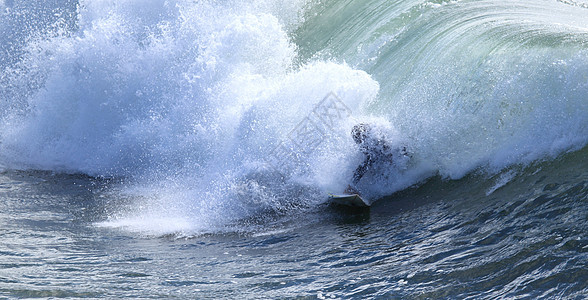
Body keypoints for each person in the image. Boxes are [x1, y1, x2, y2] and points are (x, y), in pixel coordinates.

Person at [345, 123, 407, 194]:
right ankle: (351, 186)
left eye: (360, 139)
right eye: (357, 140)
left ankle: (351, 186)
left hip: (397, 157)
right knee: (371, 163)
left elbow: (366, 164)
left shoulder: (378, 141)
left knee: (372, 162)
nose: (359, 142)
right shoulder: (369, 144)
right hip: (386, 159)